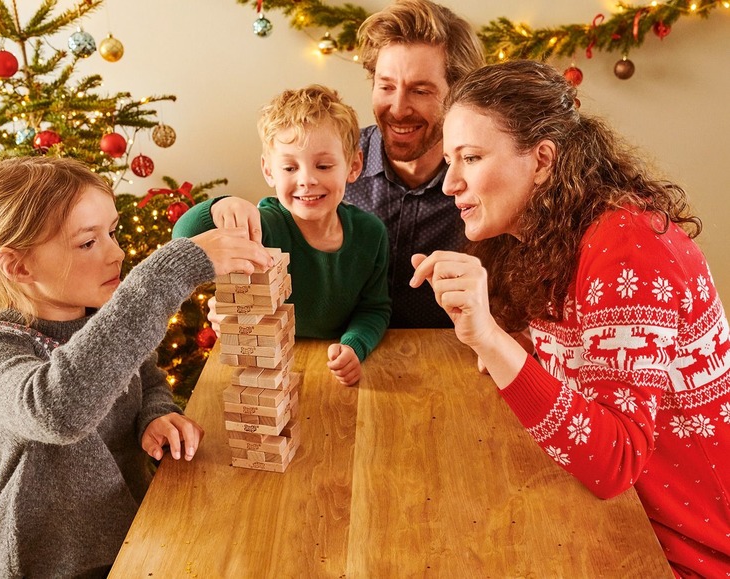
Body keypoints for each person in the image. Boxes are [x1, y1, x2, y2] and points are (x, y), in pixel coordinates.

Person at [411, 59, 729, 577]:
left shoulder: (627, 246)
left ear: (541, 161)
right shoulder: (548, 236)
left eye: (470, 157)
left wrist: (491, 339)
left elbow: (616, 462)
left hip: (687, 549)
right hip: (620, 523)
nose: (450, 183)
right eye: (450, 160)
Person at [0, 157, 273, 578]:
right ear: (17, 266)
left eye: (112, 232)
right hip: (50, 565)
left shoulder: (98, 314)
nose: (118, 252)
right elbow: (57, 409)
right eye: (88, 242)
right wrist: (166, 273)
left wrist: (155, 414)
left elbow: (145, 375)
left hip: (138, 532)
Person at [196, 0, 485, 328]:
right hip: (329, 360)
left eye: (420, 91)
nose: (398, 108)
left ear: (457, 94)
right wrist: (239, 308)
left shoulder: (481, 182)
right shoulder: (327, 160)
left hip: (442, 361)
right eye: (386, 86)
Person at [173, 85, 391, 386]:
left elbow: (374, 308)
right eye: (289, 167)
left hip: (328, 367)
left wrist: (355, 344)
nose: (307, 180)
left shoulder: (371, 233)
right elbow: (184, 239)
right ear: (269, 170)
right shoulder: (260, 226)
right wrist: (218, 206)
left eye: (324, 165)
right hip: (266, 365)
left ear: (353, 166)